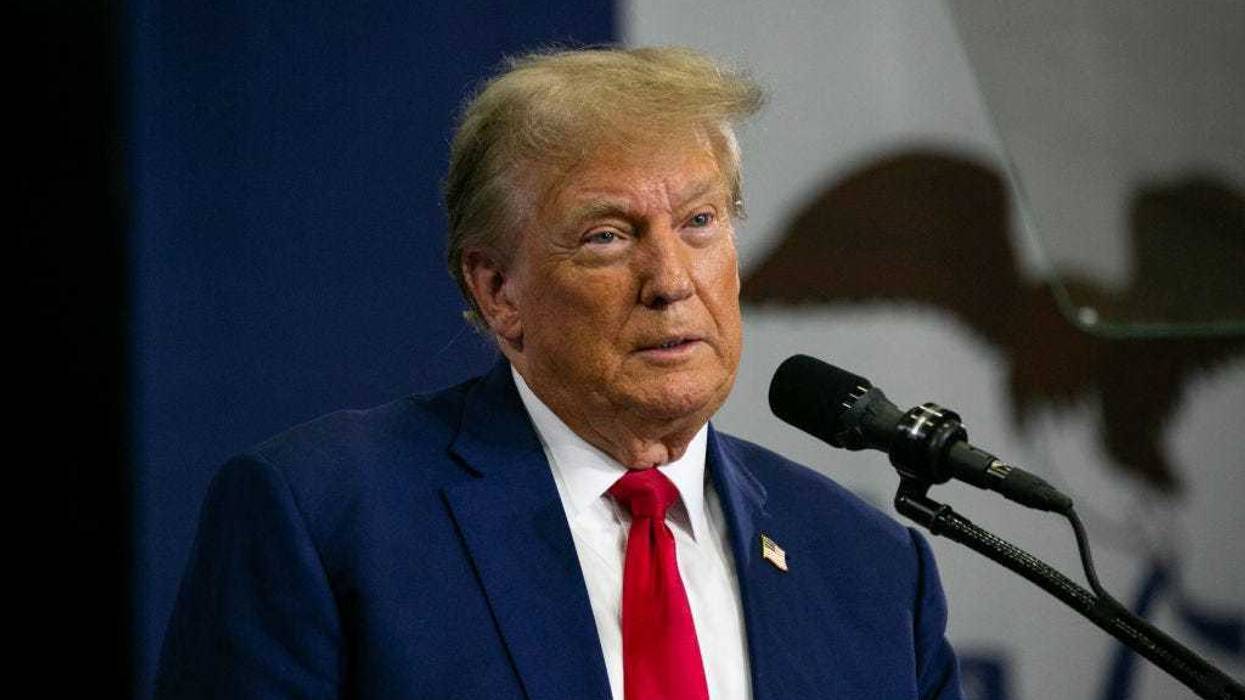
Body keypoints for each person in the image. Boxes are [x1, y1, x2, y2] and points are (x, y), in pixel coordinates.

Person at [155, 47, 963, 699]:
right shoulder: (326, 514)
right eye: (608, 236)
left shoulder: (869, 567)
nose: (671, 279)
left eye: (699, 223)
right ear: (497, 290)